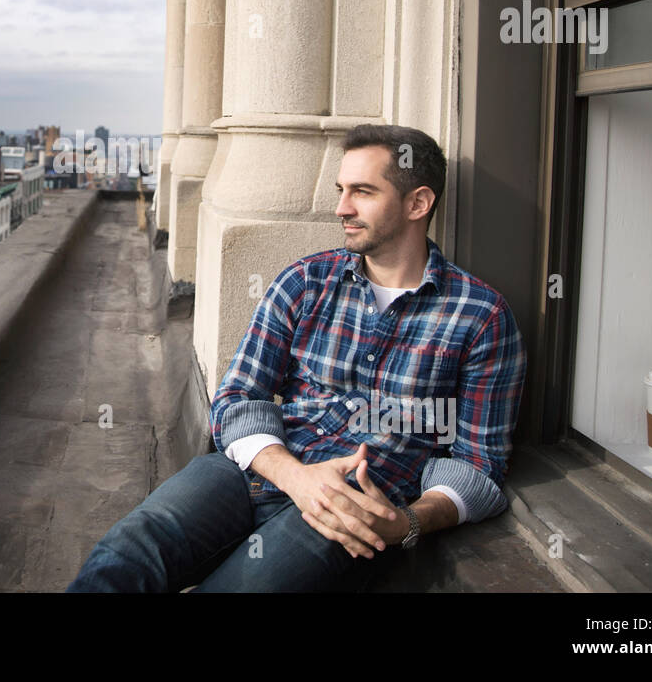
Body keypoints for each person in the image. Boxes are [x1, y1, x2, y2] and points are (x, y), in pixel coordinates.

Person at [66, 124, 527, 592]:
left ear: (417, 204)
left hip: (350, 511)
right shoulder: (305, 281)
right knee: (125, 552)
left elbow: (479, 465)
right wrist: (294, 476)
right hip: (252, 472)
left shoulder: (480, 316)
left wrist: (405, 522)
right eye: (341, 190)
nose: (341, 208)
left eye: (362, 192)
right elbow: (237, 396)